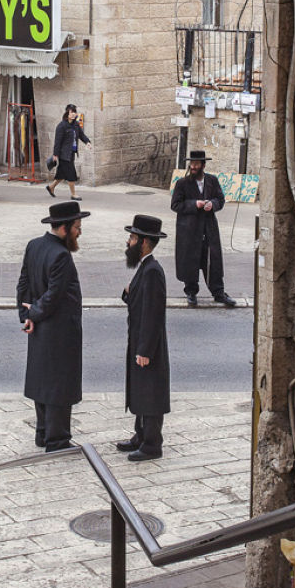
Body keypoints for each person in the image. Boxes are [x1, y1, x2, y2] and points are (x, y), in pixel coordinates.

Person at [16, 200, 89, 451]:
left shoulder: (34, 245)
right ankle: (57, 439)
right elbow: (53, 296)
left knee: (43, 382)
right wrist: (33, 314)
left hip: (39, 329)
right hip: (59, 331)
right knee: (59, 385)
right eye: (77, 227)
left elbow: (23, 284)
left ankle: (43, 432)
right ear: (64, 228)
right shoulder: (61, 256)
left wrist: (24, 315)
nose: (80, 232)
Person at [116, 214, 170, 461]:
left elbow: (153, 314)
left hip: (149, 346)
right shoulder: (145, 269)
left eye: (133, 238)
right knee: (140, 390)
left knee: (150, 393)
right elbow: (140, 302)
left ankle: (151, 444)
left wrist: (145, 351)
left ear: (145, 243)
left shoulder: (153, 272)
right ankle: (140, 435)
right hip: (138, 342)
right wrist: (129, 292)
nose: (128, 242)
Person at [169, 150, 235, 307]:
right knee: (190, 261)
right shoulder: (182, 183)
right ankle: (191, 292)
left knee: (213, 261)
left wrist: (212, 205)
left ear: (203, 165)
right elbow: (175, 205)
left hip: (208, 229)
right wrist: (194, 204)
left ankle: (218, 293)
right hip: (189, 231)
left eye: (196, 164)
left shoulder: (212, 180)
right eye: (191, 164)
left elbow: (220, 199)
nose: (193, 167)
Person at [46, 104, 90, 199]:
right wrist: (55, 154)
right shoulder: (61, 126)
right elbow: (57, 142)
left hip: (71, 153)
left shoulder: (76, 125)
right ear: (67, 113)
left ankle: (51, 187)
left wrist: (87, 142)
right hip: (64, 154)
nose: (73, 114)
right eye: (71, 112)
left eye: (74, 112)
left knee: (62, 173)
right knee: (71, 173)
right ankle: (73, 194)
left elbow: (82, 135)